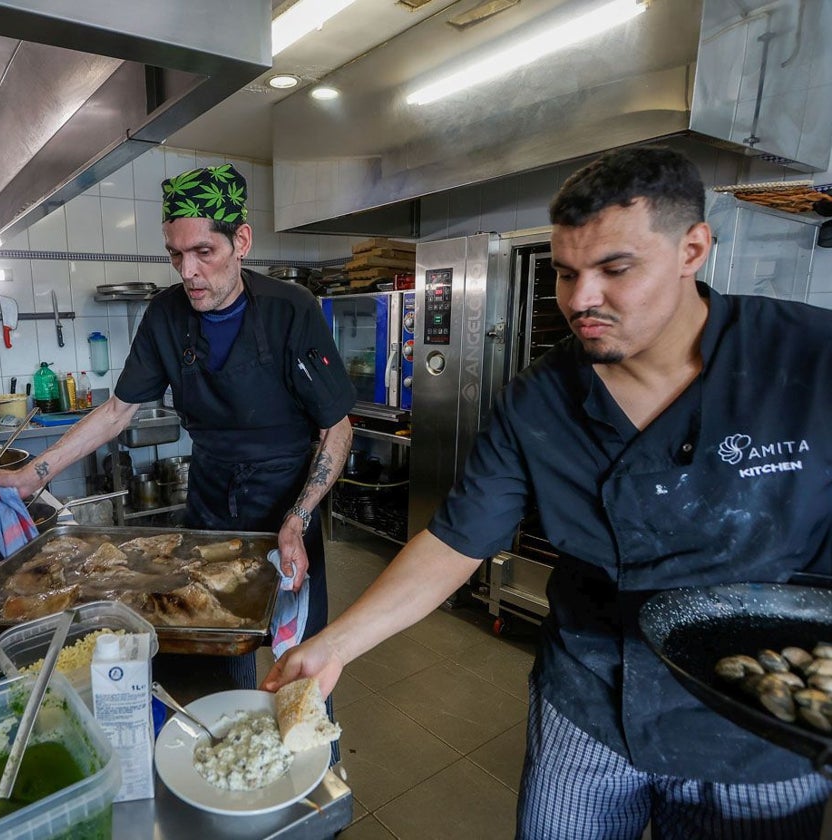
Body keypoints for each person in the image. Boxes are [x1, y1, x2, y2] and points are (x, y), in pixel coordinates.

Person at [264, 146, 832, 838]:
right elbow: (454, 541)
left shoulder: (806, 358)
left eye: (614, 270)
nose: (581, 300)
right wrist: (336, 644)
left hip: (758, 713)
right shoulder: (538, 401)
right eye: (566, 275)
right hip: (591, 693)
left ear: (693, 248)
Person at [0, 163, 356, 689]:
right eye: (176, 254)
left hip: (288, 502)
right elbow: (117, 411)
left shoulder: (292, 310)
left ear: (240, 241)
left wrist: (299, 515)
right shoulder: (166, 315)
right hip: (211, 500)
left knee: (304, 666)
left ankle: (316, 764)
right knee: (209, 656)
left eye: (204, 252)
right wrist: (35, 474)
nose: (188, 272)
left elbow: (337, 426)